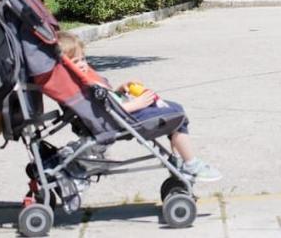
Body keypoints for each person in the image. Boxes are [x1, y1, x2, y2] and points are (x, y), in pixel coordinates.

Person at [57, 33, 222, 182]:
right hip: (122, 118)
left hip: (122, 113)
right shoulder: (79, 85)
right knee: (177, 115)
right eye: (76, 62)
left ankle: (180, 159)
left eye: (83, 59)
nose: (82, 64)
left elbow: (103, 104)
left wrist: (119, 91)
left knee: (174, 108)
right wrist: (137, 104)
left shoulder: (79, 81)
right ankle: (190, 164)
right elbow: (103, 112)